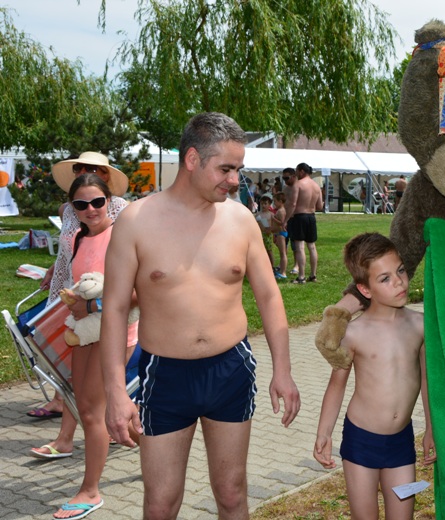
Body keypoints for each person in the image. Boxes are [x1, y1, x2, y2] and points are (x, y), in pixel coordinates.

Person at [101, 112, 300, 520]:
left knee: (231, 494)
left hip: (230, 370)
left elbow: (269, 296)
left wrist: (283, 370)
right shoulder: (136, 221)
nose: (235, 180)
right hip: (165, 375)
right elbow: (115, 310)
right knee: (161, 503)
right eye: (226, 169)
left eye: (238, 169)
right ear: (192, 159)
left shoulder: (240, 220)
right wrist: (116, 392)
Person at [313, 233, 435, 519]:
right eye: (385, 279)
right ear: (364, 289)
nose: (399, 282)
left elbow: (428, 380)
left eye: (401, 271)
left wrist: (431, 427)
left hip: (401, 442)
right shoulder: (354, 333)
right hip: (361, 442)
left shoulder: (420, 325)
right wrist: (324, 432)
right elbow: (336, 386)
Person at [52, 174, 139, 520]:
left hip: (116, 334)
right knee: (91, 406)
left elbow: (139, 292)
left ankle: (90, 491)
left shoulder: (123, 236)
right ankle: (156, 447)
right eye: (81, 204)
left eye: (97, 202)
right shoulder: (76, 238)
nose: (90, 209)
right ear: (72, 208)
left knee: (92, 412)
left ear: (110, 201)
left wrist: (92, 306)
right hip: (84, 333)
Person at [30, 152, 129, 456]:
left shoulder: (122, 215)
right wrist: (54, 270)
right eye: (80, 168)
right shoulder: (72, 212)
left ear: (106, 178)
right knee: (79, 384)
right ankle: (71, 437)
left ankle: (89, 445)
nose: (90, 208)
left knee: (95, 399)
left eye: (93, 169)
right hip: (74, 300)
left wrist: (93, 306)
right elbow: (71, 250)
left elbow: (132, 279)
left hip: (109, 315)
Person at [283, 162, 324, 284]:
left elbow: (293, 204)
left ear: (301, 171)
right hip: (311, 217)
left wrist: (286, 219)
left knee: (300, 247)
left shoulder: (298, 184)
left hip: (299, 217)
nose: (295, 174)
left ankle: (301, 276)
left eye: (296, 171)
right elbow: (320, 206)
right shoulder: (316, 186)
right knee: (312, 246)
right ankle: (313, 275)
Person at [271, 191, 288, 280]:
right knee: (282, 253)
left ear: (280, 201)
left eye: (275, 201)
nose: (274, 203)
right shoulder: (279, 210)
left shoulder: (281, 211)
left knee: (283, 254)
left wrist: (273, 218)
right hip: (278, 233)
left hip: (281, 234)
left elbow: (282, 223)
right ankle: (281, 270)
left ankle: (283, 272)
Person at [255, 193, 275, 265]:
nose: (263, 205)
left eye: (265, 204)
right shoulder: (258, 214)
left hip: (268, 235)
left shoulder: (271, 214)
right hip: (260, 235)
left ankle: (272, 265)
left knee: (269, 251)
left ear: (269, 205)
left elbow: (274, 225)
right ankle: (262, 264)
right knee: (261, 251)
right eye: (262, 204)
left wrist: (271, 230)